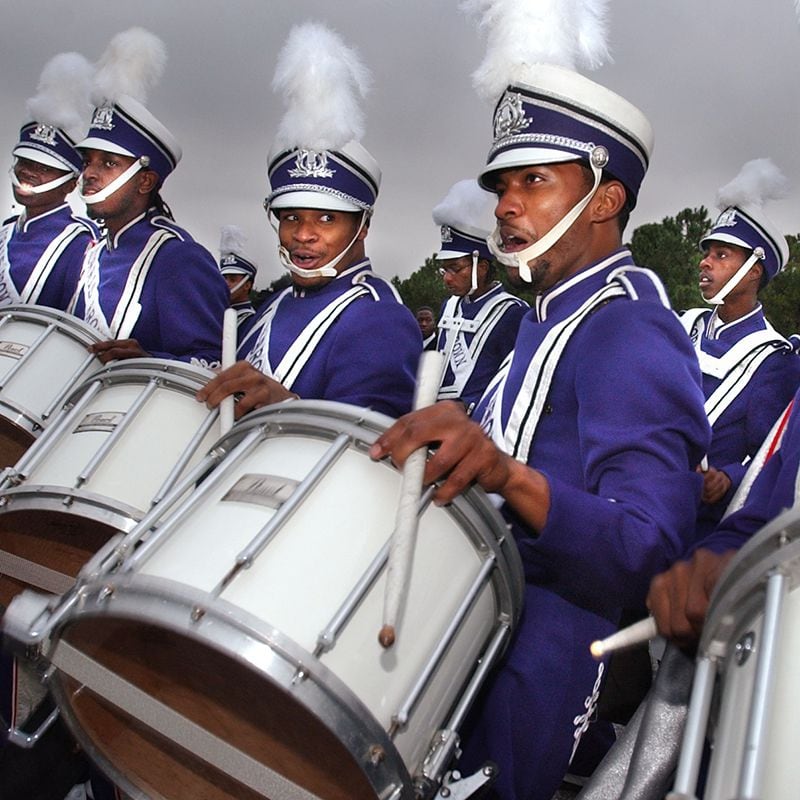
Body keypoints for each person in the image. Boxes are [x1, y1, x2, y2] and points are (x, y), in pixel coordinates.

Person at [368, 6, 710, 798]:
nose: (505, 204)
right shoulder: (544, 316)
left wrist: (507, 476)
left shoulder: (628, 324)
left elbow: (653, 540)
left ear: (602, 198)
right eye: (502, 184)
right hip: (474, 622)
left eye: (534, 181)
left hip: (552, 650)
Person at [199, 22, 420, 420]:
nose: (303, 234)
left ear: (362, 226)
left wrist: (284, 405)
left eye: (326, 218)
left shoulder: (379, 317)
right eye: (290, 218)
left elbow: (369, 450)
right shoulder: (277, 304)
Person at [68, 28, 228, 367]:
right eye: (87, 162)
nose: (90, 174)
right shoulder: (91, 250)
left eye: (109, 163)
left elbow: (214, 365)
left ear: (145, 181)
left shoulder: (178, 258)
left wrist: (146, 361)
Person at [681, 159, 800, 541]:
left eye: (721, 255)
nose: (705, 261)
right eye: (707, 252)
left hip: (701, 526)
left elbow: (768, 451)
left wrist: (727, 477)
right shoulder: (686, 325)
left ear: (752, 270)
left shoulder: (774, 359)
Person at [1, 52, 96, 310]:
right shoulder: (5, 232)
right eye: (26, 162)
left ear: (70, 183)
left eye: (44, 167)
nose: (29, 172)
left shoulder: (80, 243)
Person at [433, 179, 527, 410]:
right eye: (444, 269)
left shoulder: (514, 313)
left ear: (481, 267)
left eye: (455, 268)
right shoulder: (449, 306)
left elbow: (516, 382)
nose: (447, 278)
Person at [218, 224, 258, 335]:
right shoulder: (216, 314)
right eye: (224, 278)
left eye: (232, 279)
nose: (226, 284)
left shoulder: (251, 322)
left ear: (247, 285)